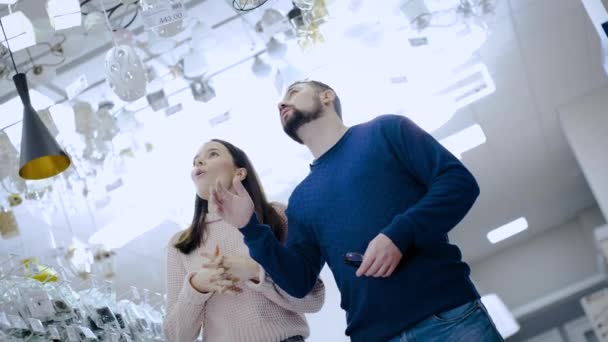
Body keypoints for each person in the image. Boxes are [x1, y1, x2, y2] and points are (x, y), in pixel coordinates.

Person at [210, 81, 504, 342]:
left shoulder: (387, 130)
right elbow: (299, 282)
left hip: (447, 318)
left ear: (327, 96)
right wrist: (249, 226)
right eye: (281, 101)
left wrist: (399, 235)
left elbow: (458, 182)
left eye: (294, 92)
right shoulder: (300, 199)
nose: (282, 103)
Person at [163, 139, 325, 342]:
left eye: (212, 154)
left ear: (240, 172)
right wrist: (197, 286)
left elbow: (312, 300)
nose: (199, 162)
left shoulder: (276, 216)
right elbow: (175, 337)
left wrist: (255, 272)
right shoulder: (180, 245)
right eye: (196, 161)